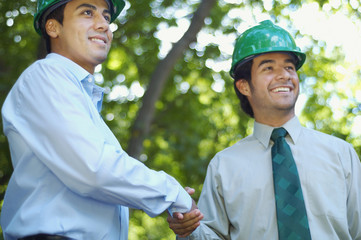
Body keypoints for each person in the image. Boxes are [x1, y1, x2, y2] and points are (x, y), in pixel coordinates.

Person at [0, 0, 203, 239]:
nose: (104, 25)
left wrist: (176, 210)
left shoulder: (85, 106)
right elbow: (95, 170)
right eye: (87, 12)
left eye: (106, 17)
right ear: (53, 28)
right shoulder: (45, 76)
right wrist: (175, 196)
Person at [168, 20, 361, 239]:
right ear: (244, 86)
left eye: (289, 67)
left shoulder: (341, 155)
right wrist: (189, 226)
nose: (284, 75)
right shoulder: (224, 167)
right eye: (269, 68)